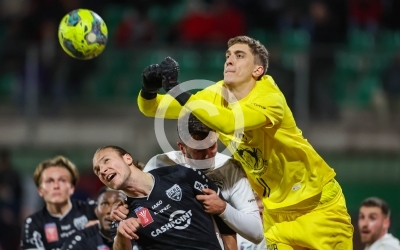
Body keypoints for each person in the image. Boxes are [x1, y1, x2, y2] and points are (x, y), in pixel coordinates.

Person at [137, 35, 354, 249]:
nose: (229, 60)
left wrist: (177, 90)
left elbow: (230, 122)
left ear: (257, 70)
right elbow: (153, 108)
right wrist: (148, 89)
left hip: (317, 207)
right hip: (275, 216)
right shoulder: (214, 95)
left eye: (239, 56)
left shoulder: (269, 97)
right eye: (228, 55)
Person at [113, 113, 264, 246]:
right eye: (199, 150)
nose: (208, 154)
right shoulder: (159, 164)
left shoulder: (229, 168)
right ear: (182, 148)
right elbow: (139, 203)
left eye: (212, 146)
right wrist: (123, 205)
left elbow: (256, 233)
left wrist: (224, 208)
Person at [92, 145, 235, 250]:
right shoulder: (121, 216)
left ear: (127, 158)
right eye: (97, 170)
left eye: (106, 161)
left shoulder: (181, 174)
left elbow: (222, 216)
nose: (103, 170)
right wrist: (122, 235)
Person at [21, 155, 98, 250]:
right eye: (49, 181)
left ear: (72, 188)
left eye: (62, 180)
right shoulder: (34, 223)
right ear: (40, 190)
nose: (56, 186)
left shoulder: (90, 210)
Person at [61, 187, 141, 250]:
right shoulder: (81, 240)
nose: (110, 211)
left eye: (119, 204)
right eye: (105, 204)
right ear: (96, 211)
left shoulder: (142, 234)